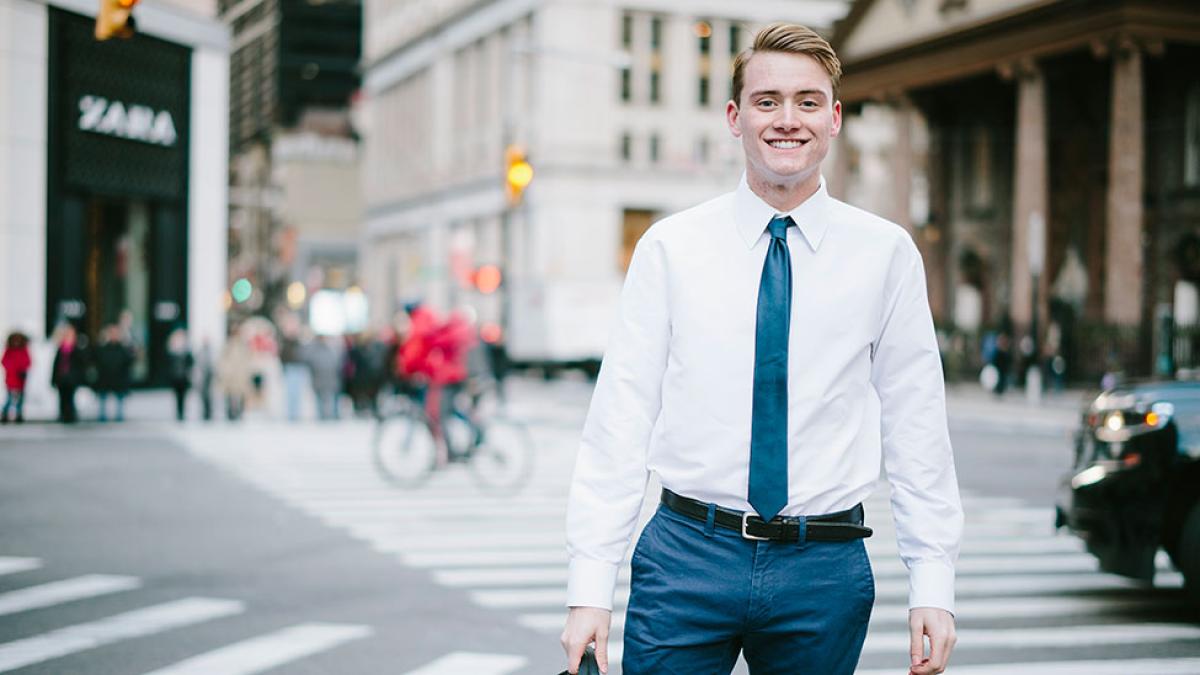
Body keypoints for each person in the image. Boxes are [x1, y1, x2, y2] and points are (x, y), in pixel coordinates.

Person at [561, 24, 962, 675]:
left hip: (823, 567)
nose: (787, 119)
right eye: (767, 100)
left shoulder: (885, 255)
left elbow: (917, 423)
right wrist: (589, 588)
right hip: (688, 554)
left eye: (808, 101)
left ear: (834, 119)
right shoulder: (670, 249)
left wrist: (934, 584)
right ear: (734, 117)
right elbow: (620, 418)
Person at [94, 325, 134, 422]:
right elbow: (96, 359)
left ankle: (119, 416)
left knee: (120, 398)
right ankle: (102, 416)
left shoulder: (123, 348)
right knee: (103, 398)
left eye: (115, 333)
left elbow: (129, 361)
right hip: (106, 377)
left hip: (119, 378)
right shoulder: (103, 348)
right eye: (111, 333)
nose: (114, 336)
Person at [51, 323, 88, 424]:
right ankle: (63, 414)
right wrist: (53, 379)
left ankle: (70, 415)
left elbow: (81, 364)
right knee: (62, 398)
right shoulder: (61, 348)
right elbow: (56, 365)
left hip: (71, 378)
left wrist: (79, 377)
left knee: (70, 397)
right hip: (62, 377)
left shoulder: (76, 348)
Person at [1, 330, 32, 424]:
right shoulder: (9, 350)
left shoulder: (23, 350)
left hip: (20, 379)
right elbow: (4, 361)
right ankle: (5, 413)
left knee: (20, 399)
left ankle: (19, 414)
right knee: (10, 398)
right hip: (11, 378)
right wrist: (12, 369)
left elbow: (28, 361)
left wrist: (22, 370)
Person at [166, 328, 194, 421]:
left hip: (184, 378)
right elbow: (168, 364)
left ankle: (182, 414)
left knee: (183, 397)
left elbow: (191, 363)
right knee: (177, 397)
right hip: (175, 378)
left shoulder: (186, 351)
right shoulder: (172, 351)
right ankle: (178, 413)